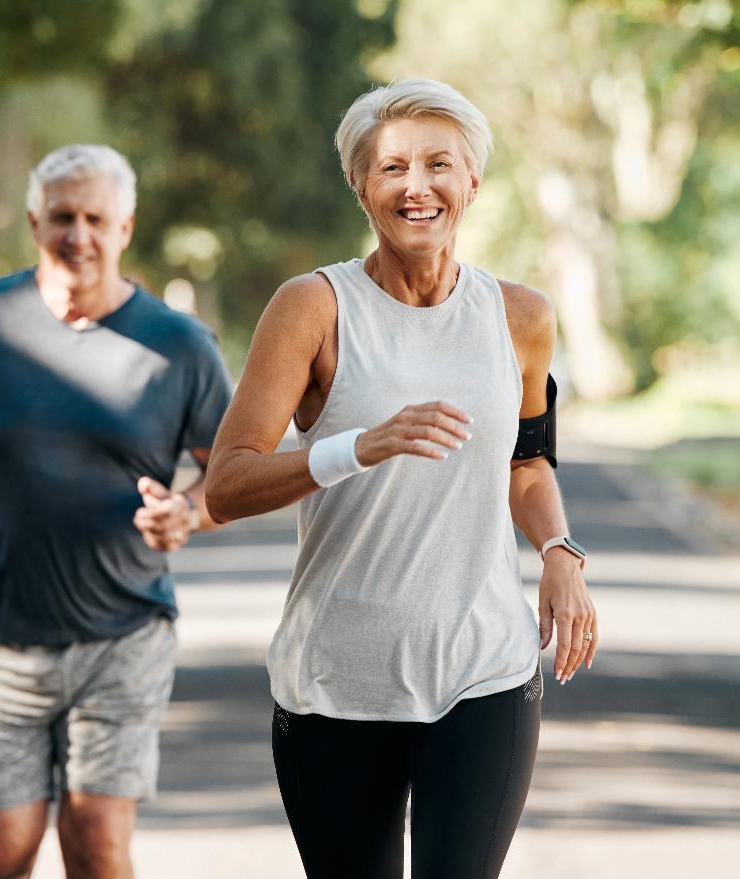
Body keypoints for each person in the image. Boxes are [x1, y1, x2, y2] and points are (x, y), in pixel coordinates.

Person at [205, 79, 598, 878]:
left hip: (484, 669)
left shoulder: (521, 317)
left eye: (438, 165)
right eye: (391, 168)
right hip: (336, 682)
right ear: (361, 187)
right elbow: (227, 483)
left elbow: (526, 459)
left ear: (473, 183)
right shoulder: (312, 308)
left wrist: (559, 548)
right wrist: (358, 446)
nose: (416, 186)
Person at [0, 144, 233, 879]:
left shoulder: (181, 345)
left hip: (124, 630)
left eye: (96, 218)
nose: (80, 235)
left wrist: (188, 513)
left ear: (126, 227)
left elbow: (229, 474)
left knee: (97, 842)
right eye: (63, 217)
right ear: (35, 221)